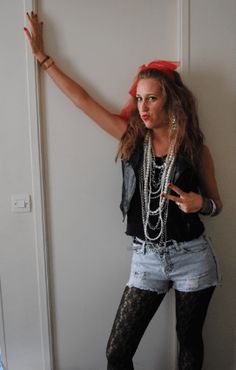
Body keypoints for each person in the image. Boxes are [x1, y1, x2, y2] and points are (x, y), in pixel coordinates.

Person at [24, 11, 223, 370]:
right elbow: (83, 102)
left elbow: (217, 205)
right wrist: (43, 58)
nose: (142, 107)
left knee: (189, 345)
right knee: (117, 352)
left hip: (193, 257)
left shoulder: (196, 149)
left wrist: (200, 204)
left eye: (152, 99)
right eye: (140, 98)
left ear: (170, 100)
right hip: (146, 258)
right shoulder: (132, 140)